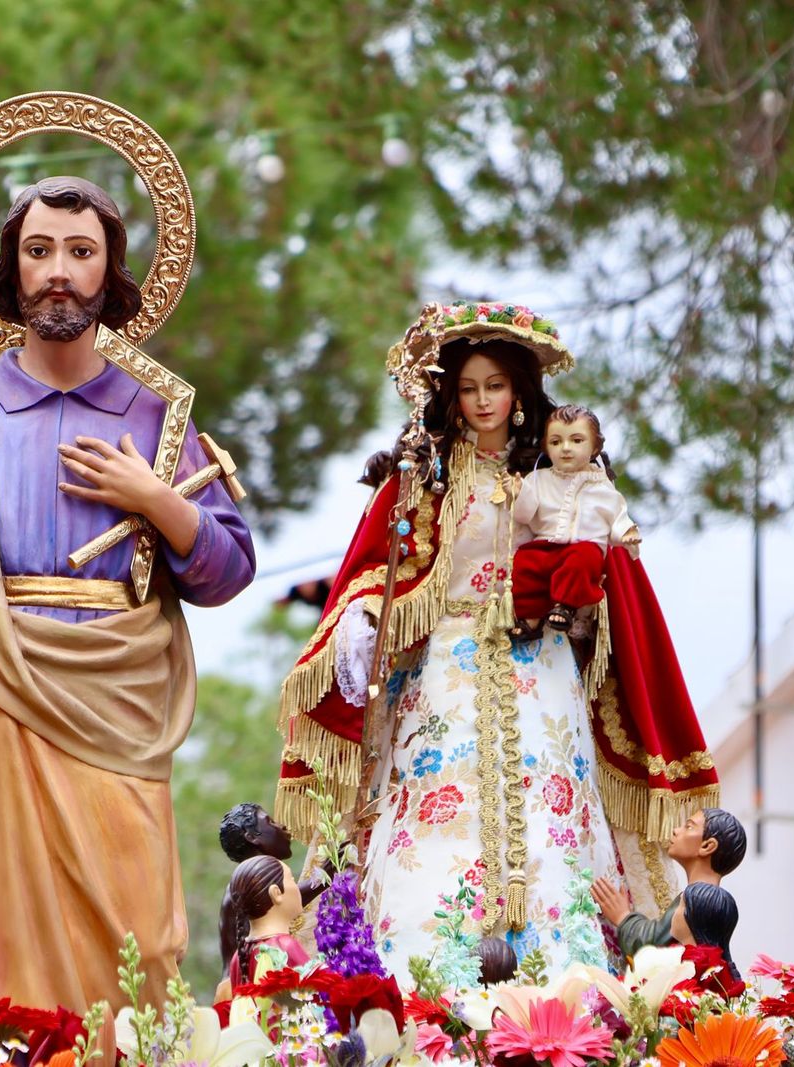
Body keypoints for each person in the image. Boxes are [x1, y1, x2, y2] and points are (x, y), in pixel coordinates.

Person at [0, 176, 255, 1014]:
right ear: (11, 271)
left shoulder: (155, 412)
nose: (59, 272)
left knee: (136, 944)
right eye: (39, 252)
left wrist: (157, 500)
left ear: (112, 276)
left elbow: (226, 571)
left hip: (119, 698)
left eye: (81, 253)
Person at [275, 300, 718, 982]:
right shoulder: (425, 474)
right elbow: (378, 569)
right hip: (446, 667)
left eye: (496, 386)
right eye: (470, 387)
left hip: (541, 667)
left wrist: (580, 587)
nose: (483, 401)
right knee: (435, 807)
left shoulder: (564, 474)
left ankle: (567, 985)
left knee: (551, 812)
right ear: (451, 396)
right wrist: (362, 619)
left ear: (518, 393)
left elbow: (613, 566)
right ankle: (422, 980)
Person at [509, 404, 640, 642]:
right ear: (546, 447)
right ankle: (530, 617)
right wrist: (520, 495)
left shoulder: (602, 486)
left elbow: (618, 517)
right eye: (556, 442)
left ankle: (565, 606)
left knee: (581, 562)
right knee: (526, 563)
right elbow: (524, 516)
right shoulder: (538, 479)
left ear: (595, 447)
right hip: (546, 544)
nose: (566, 448)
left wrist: (626, 534)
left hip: (584, 546)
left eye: (577, 440)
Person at [591, 806, 747, 960]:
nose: (676, 830)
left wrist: (623, 917)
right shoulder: (711, 898)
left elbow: (652, 945)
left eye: (688, 827)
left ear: (707, 846)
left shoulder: (698, 898)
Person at [216, 803, 333, 972]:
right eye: (270, 822)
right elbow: (286, 897)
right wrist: (326, 874)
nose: (282, 826)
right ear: (251, 836)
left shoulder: (240, 883)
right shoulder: (251, 881)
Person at [216, 855, 312, 1002]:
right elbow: (315, 998)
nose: (296, 884)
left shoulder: (240, 954)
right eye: (292, 879)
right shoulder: (284, 947)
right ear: (276, 894)